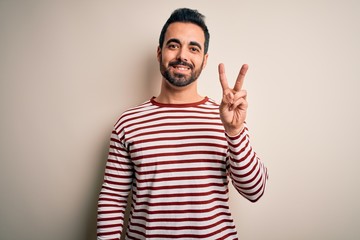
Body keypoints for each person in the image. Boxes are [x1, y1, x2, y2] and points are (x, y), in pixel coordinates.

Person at [97, 8, 268, 240]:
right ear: (159, 53)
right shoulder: (128, 123)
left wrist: (235, 132)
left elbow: (255, 191)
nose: (182, 56)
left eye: (193, 48)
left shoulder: (226, 118)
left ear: (204, 60)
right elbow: (112, 201)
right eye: (173, 45)